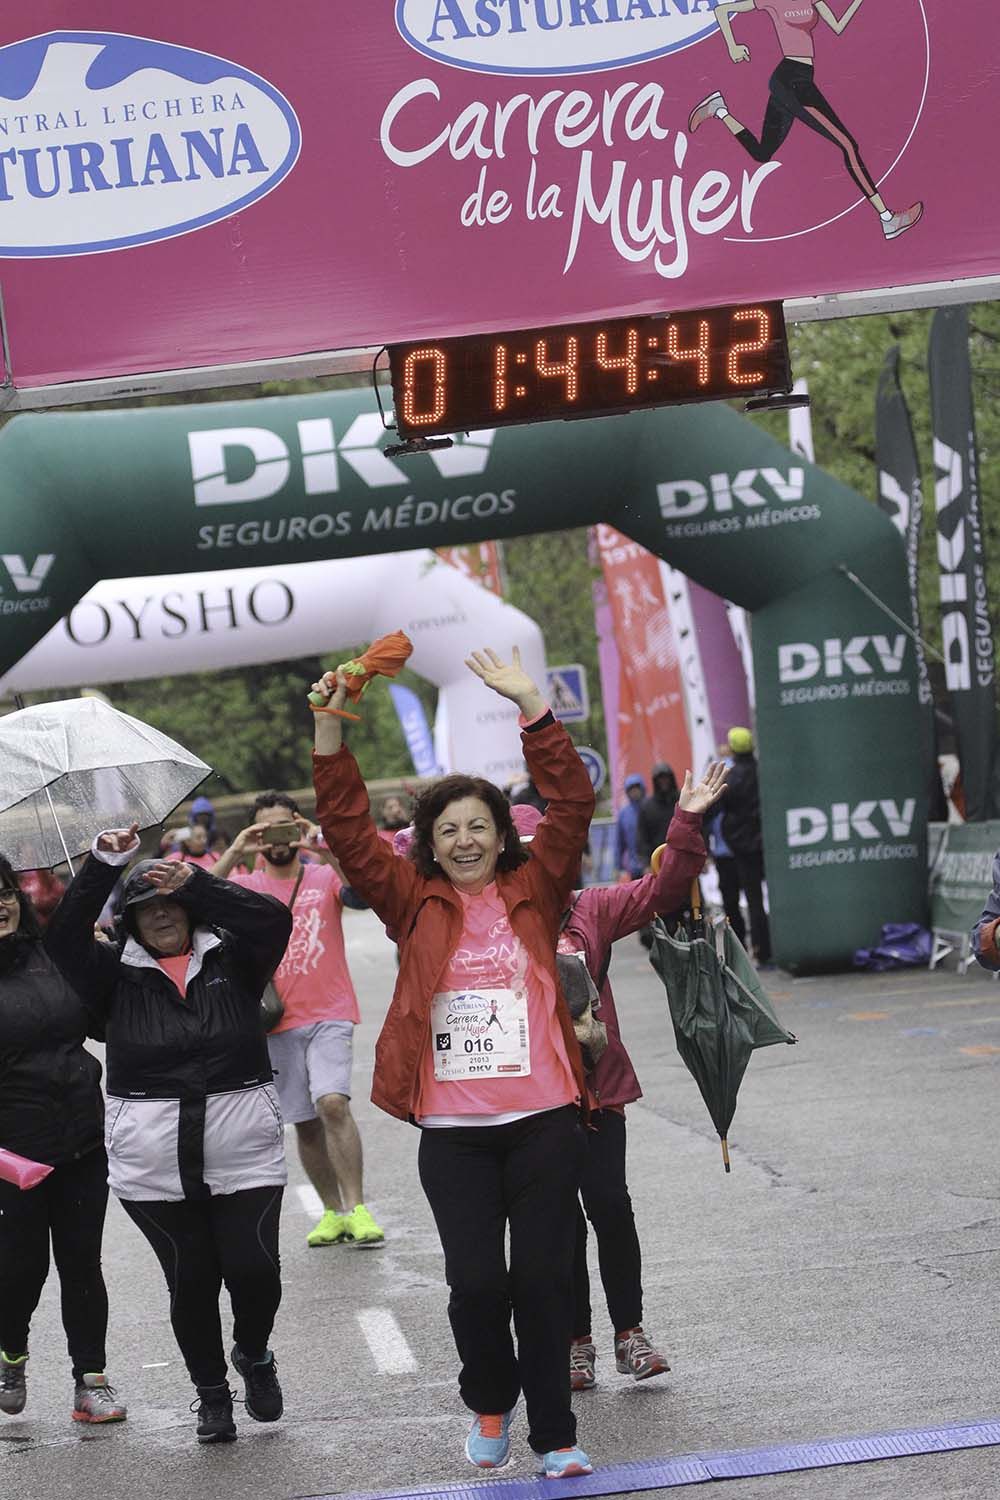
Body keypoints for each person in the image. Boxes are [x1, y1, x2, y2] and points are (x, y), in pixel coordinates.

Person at [311, 646, 596, 1479]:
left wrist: (534, 710)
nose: (465, 840)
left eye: (478, 826)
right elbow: (351, 834)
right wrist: (331, 731)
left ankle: (558, 1435)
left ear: (502, 835)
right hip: (456, 1131)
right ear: (428, 847)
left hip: (544, 1119)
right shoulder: (411, 900)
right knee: (477, 1286)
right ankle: (488, 1399)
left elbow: (572, 801)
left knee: (545, 1284)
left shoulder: (536, 888)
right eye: (448, 831)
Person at [44, 834, 292, 1445]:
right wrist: (106, 864)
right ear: (127, 921)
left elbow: (272, 916)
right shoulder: (109, 976)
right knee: (192, 1281)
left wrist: (196, 880)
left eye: (171, 903)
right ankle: (211, 1395)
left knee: (253, 1270)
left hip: (243, 1147)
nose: (160, 913)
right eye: (144, 906)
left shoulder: (236, 958)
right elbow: (62, 937)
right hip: (154, 1159)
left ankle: (255, 1354)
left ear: (190, 909)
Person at [511, 763, 726, 1392]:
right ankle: (577, 1344)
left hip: (598, 1090)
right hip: (528, 1099)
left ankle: (630, 1334)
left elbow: (665, 888)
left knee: (608, 1204)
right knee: (560, 1222)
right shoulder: (485, 923)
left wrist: (685, 819)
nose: (536, 867)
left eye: (543, 853)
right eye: (521, 856)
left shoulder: (592, 910)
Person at [212, 791, 384, 1250]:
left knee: (332, 1104)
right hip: (275, 1020)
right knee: (305, 1122)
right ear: (255, 835)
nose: (278, 839)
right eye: (266, 831)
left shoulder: (324, 875)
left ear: (298, 825)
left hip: (330, 1011)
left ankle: (358, 1206)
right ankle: (333, 1213)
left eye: (285, 827)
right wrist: (235, 852)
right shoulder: (246, 886)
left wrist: (325, 847)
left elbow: (364, 895)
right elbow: (199, 899)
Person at [0, 857, 127, 1425]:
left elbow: (77, 916)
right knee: (19, 1269)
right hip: (12, 1156)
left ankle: (90, 1381)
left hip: (80, 1138)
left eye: (3, 892)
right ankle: (10, 1357)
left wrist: (104, 860)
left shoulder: (52, 954)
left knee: (82, 1264)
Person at [688, 0, 922, 241]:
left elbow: (838, 27)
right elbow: (722, 10)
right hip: (790, 79)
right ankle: (887, 219)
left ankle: (719, 110)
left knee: (762, 153)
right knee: (848, 146)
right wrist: (732, 46)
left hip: (800, 79)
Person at [720, 727, 772, 966]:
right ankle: (769, 945)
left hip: (742, 847)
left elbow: (714, 808)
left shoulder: (732, 777)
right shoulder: (764, 771)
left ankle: (762, 949)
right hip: (768, 842)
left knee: (754, 900)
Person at [636, 764, 680, 871]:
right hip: (658, 862)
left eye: (666, 778)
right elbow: (642, 837)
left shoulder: (683, 801)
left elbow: (697, 828)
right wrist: (646, 864)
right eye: (660, 779)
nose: (664, 782)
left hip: (683, 860)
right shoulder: (647, 807)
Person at [613, 775, 646, 881]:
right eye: (631, 789)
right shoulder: (624, 814)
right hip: (635, 868)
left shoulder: (650, 808)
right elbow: (619, 843)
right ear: (627, 792)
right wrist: (617, 867)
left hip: (652, 865)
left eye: (637, 788)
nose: (635, 791)